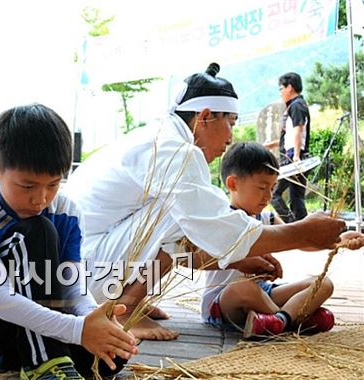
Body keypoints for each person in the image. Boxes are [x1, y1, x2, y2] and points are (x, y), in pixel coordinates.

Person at [64, 63, 350, 342]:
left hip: (89, 269)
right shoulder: (173, 149)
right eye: (231, 123)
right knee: (179, 210)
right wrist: (303, 232)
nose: (231, 137)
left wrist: (242, 256)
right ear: (205, 116)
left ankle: (128, 299)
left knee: (182, 212)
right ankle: (125, 308)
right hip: (88, 275)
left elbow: (187, 248)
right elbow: (213, 230)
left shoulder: (163, 138)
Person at [0, 104, 138, 379]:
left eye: (53, 185)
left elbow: (70, 282)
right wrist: (78, 330)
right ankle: (43, 362)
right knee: (37, 231)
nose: (41, 199)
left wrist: (94, 319)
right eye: (28, 186)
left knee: (108, 360)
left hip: (27, 312)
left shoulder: (67, 211)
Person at [202, 142, 353, 338]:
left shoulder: (267, 218)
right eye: (262, 187)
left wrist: (341, 240)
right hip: (224, 300)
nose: (269, 196)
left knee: (323, 283)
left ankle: (278, 321)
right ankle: (296, 319)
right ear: (233, 184)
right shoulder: (221, 219)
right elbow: (198, 258)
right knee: (243, 288)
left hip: (265, 293)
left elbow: (301, 240)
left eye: (273, 188)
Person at [264, 72, 311, 223]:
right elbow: (291, 135)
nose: (280, 92)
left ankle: (291, 226)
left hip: (294, 158)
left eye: (281, 88)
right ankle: (303, 230)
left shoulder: (296, 105)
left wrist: (296, 157)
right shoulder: (298, 105)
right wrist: (272, 145)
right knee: (297, 198)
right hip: (296, 155)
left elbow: (298, 130)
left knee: (274, 193)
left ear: (289, 87)